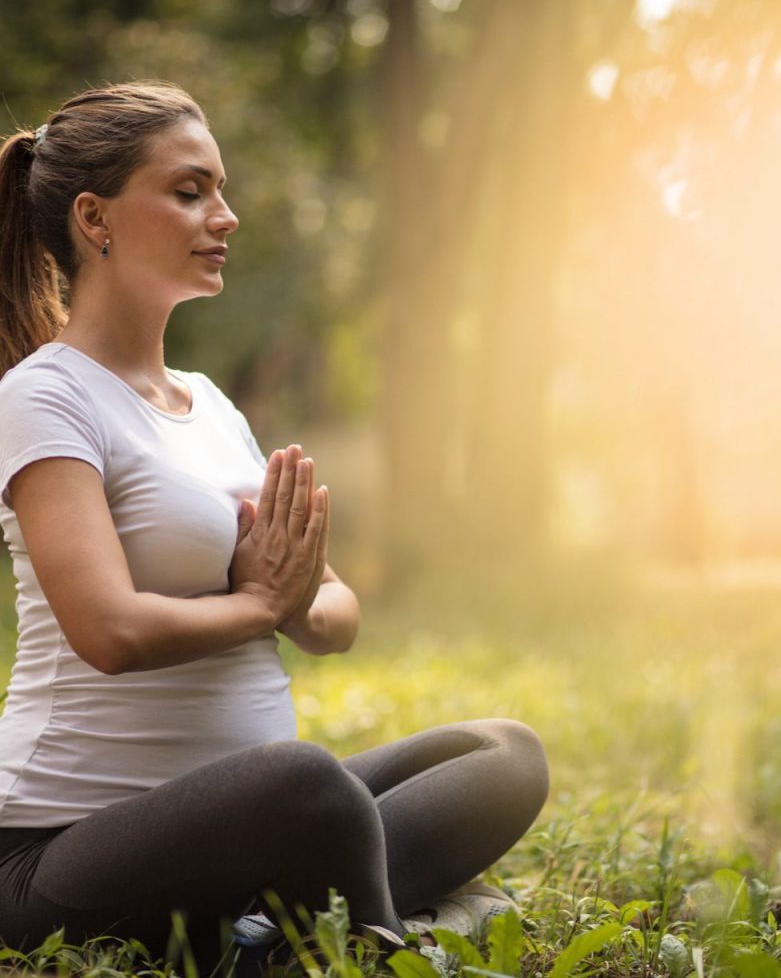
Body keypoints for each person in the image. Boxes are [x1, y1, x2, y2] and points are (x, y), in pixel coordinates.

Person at [0, 81, 548, 967]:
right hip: (60, 850)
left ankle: (269, 933)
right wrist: (260, 606)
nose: (227, 215)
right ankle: (378, 938)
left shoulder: (210, 406)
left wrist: (294, 601)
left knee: (502, 753)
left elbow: (334, 613)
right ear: (95, 217)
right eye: (190, 191)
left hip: (244, 835)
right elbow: (109, 631)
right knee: (303, 783)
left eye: (220, 188)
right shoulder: (44, 396)